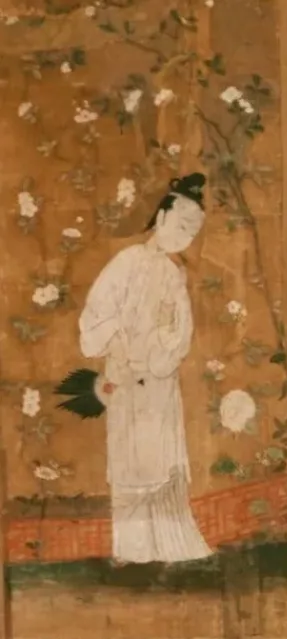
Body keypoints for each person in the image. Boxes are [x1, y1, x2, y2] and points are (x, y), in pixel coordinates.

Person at [70, 174, 212, 565]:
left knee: (164, 463)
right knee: (131, 464)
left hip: (160, 383)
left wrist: (165, 344)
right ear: (161, 216)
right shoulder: (127, 262)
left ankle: (170, 547)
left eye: (192, 232)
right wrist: (118, 339)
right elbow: (95, 315)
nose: (185, 238)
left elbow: (182, 331)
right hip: (126, 380)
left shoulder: (175, 274)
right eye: (181, 226)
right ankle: (132, 552)